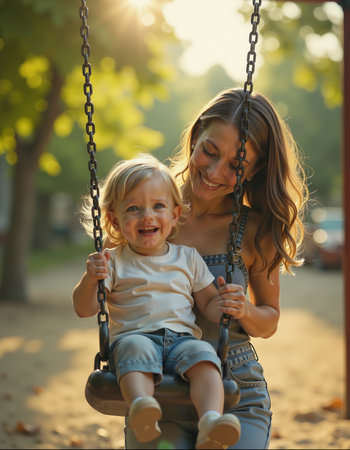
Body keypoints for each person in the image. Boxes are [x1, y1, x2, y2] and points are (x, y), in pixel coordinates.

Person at [123, 88, 309, 449]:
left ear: (253, 171)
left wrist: (245, 308)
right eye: (209, 151)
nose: (214, 171)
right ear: (196, 137)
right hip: (159, 385)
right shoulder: (151, 211)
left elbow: (269, 320)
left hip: (235, 389)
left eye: (235, 166)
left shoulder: (255, 230)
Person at [72, 153, 242, 449]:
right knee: (135, 350)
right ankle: (141, 407)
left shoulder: (188, 257)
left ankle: (211, 422)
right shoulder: (113, 262)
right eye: (134, 208)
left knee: (206, 358)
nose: (147, 216)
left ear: (175, 215)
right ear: (114, 219)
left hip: (182, 342)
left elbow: (209, 307)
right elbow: (83, 308)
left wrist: (226, 303)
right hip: (134, 338)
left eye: (158, 206)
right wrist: (91, 278)